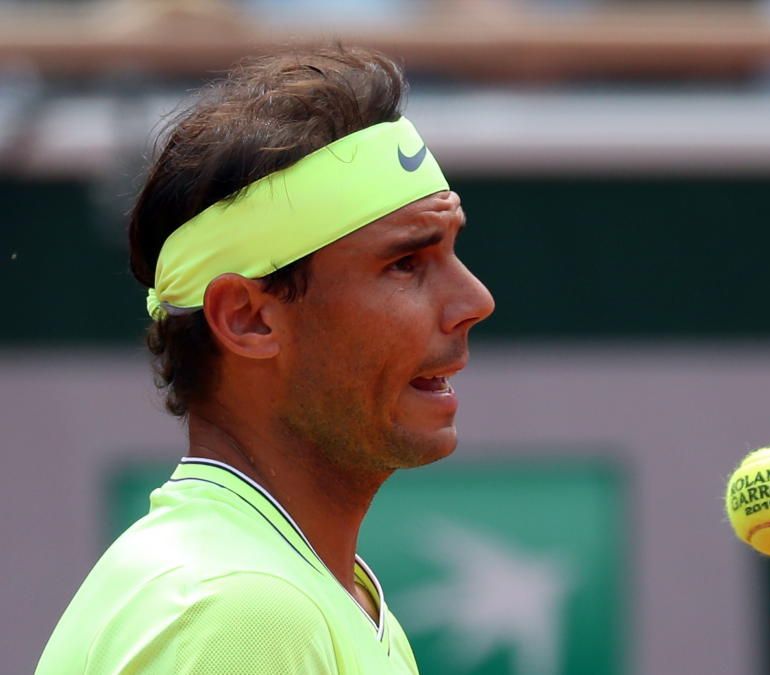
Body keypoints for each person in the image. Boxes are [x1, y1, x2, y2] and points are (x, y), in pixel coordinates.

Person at [36, 46, 494, 674]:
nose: (475, 300)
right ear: (247, 318)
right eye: (405, 263)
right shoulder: (244, 611)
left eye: (451, 250)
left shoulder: (305, 595)